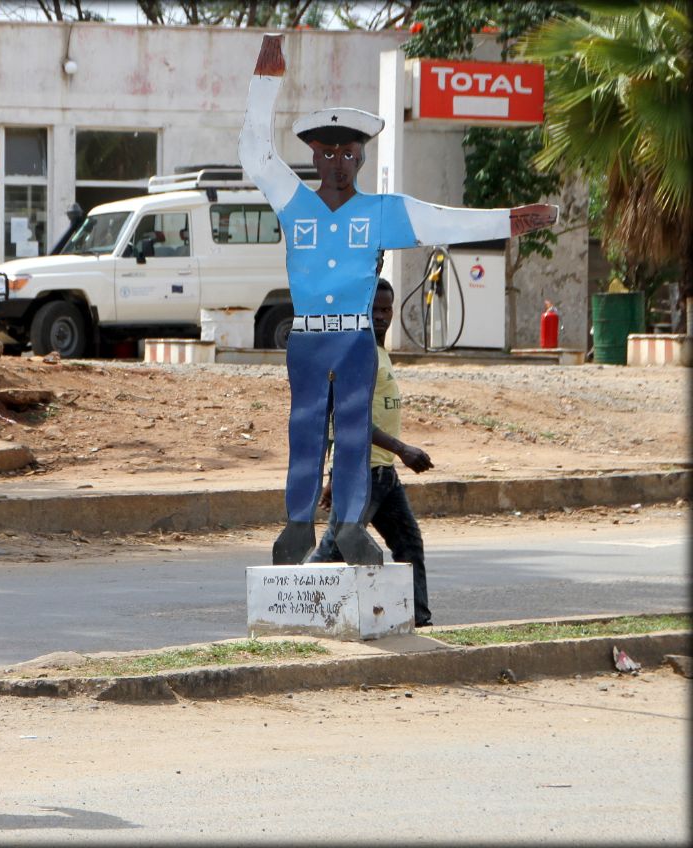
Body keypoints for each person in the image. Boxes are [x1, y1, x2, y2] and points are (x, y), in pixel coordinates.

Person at [238, 34, 558, 565]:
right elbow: (254, 150)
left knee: (357, 432)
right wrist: (265, 81)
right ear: (313, 155)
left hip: (355, 340)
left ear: (362, 156)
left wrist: (509, 221)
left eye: (349, 152)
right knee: (307, 428)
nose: (338, 162)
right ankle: (296, 526)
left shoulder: (382, 211)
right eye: (327, 152)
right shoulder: (293, 201)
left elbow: (445, 220)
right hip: (309, 339)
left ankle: (348, 527)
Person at [308, 278, 433, 627]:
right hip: (361, 474)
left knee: (409, 545)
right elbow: (351, 420)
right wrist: (403, 449)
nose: (380, 316)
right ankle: (292, 608)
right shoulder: (358, 355)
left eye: (386, 309)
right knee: (333, 552)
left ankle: (420, 619)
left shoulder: (379, 352)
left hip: (382, 474)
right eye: (374, 309)